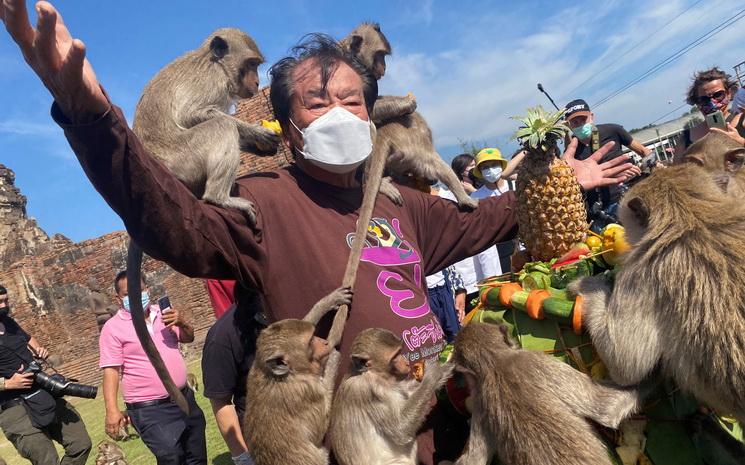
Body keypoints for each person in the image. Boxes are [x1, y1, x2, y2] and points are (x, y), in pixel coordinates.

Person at [1, 5, 632, 461]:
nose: (341, 116)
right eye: (317, 103)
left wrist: (557, 184)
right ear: (286, 123)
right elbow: (173, 223)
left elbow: (480, 222)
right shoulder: (263, 202)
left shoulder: (398, 201)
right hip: (349, 442)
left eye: (354, 102)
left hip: (437, 425)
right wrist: (92, 122)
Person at [100, 271, 206, 465]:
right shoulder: (113, 328)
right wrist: (112, 410)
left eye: (139, 290)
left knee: (196, 457)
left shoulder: (162, 314)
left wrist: (182, 322)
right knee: (171, 457)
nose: (135, 296)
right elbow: (111, 371)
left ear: (147, 290)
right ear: (118, 298)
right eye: (127, 294)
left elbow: (188, 338)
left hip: (183, 398)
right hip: (150, 409)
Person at [0, 284, 92, 465]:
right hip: (14, 407)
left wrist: (38, 349)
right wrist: (7, 384)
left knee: (81, 444)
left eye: (6, 300)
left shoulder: (9, 324)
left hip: (43, 392)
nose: (3, 306)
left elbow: (30, 340)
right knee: (47, 460)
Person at [202, 285, 264, 465]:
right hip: (263, 437)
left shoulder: (283, 311)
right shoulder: (222, 337)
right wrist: (242, 457)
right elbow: (221, 401)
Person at [564, 99, 646, 226]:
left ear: (591, 117)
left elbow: (644, 151)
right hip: (598, 214)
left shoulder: (613, 130)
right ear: (569, 126)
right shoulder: (570, 151)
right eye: (575, 122)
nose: (580, 125)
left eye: (583, 119)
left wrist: (641, 167)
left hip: (628, 200)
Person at [471, 147, 517, 272]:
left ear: (502, 166)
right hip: (498, 251)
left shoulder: (516, 186)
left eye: (494, 165)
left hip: (523, 244)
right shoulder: (476, 197)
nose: (490, 169)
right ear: (480, 171)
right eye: (485, 167)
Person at [684, 67, 745, 147]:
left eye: (718, 95)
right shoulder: (687, 138)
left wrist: (740, 141)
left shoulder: (742, 121)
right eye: (704, 99)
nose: (713, 104)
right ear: (697, 103)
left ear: (729, 94)